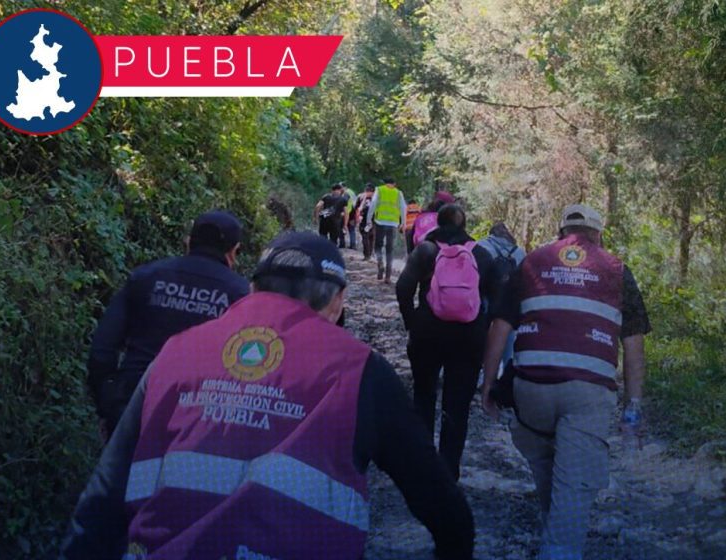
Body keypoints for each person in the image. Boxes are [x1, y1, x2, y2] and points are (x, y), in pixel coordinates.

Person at [61, 232, 475, 560]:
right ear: (336, 301)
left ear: (252, 288)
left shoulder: (176, 352)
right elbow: (437, 498)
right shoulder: (359, 370)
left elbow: (104, 493)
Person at [480, 204, 652, 560]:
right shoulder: (618, 270)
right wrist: (633, 406)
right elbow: (633, 344)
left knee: (545, 463)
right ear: (598, 235)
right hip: (587, 393)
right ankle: (559, 545)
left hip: (531, 389)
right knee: (573, 486)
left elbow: (500, 325)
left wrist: (488, 383)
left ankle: (552, 525)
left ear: (561, 232)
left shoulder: (531, 262)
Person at [86, 211, 249, 438]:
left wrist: (108, 404)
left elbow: (102, 350)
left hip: (133, 404)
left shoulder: (146, 276)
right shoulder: (242, 295)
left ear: (189, 241)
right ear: (234, 251)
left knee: (120, 472)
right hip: (197, 416)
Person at [396, 204, 498, 480]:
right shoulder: (481, 253)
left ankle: (423, 465)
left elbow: (403, 288)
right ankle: (448, 471)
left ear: (437, 223)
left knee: (424, 395)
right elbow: (498, 300)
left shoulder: (426, 250)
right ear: (465, 225)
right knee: (458, 404)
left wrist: (412, 321)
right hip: (468, 337)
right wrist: (482, 327)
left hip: (427, 333)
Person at [477, 222, 526, 371]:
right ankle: (506, 372)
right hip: (509, 302)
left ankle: (481, 373)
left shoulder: (481, 246)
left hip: (485, 298)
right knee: (508, 337)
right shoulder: (520, 252)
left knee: (482, 334)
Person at [366, 178, 407, 283]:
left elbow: (373, 204)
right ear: (395, 184)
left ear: (385, 183)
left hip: (380, 222)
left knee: (378, 245)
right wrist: (403, 222)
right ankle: (388, 275)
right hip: (393, 224)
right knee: (390, 249)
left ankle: (380, 263)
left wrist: (368, 219)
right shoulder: (398, 193)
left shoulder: (379, 190)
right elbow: (403, 208)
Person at [316, 183, 351, 248]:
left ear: (332, 190)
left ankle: (323, 251)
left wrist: (316, 217)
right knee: (333, 239)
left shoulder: (326, 196)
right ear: (340, 190)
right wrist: (345, 225)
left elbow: (318, 206)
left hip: (324, 220)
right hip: (335, 222)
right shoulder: (343, 199)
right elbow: (346, 212)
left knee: (323, 237)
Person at [356, 184, 377, 260]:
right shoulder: (377, 198)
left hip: (366, 219)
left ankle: (367, 255)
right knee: (370, 237)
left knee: (367, 237)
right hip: (373, 219)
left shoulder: (360, 196)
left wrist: (357, 218)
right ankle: (368, 254)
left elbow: (356, 208)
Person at [343, 183, 359, 250]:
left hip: (349, 212)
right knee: (352, 229)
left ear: (344, 187)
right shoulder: (351, 192)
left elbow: (345, 202)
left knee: (345, 227)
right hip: (353, 212)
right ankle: (353, 245)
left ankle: (342, 244)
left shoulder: (346, 193)